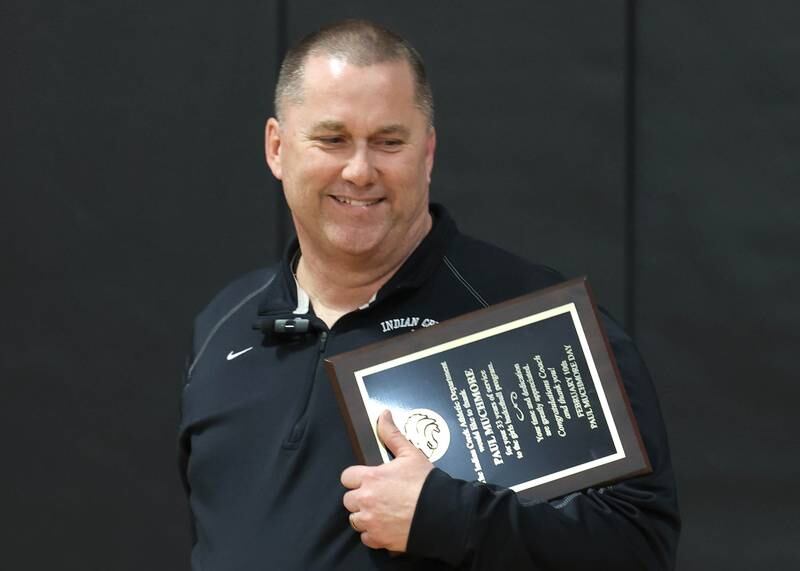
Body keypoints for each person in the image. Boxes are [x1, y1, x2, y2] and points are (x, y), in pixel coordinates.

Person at [179, 19, 680, 570]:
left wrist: (451, 516)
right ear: (277, 148)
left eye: (389, 142)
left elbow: (640, 546)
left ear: (428, 152)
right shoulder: (224, 326)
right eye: (332, 139)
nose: (359, 169)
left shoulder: (525, 317)